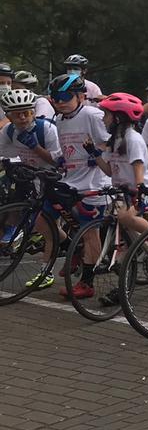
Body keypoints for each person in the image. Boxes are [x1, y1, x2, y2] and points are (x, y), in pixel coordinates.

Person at [90, 93, 148, 303]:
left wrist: (139, 189)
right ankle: (127, 282)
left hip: (141, 190)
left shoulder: (133, 138)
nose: (103, 119)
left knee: (125, 218)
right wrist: (93, 153)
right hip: (123, 192)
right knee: (123, 242)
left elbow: (138, 165)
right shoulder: (115, 140)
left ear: (118, 118)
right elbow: (108, 171)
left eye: (106, 115)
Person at [48, 74, 112, 298]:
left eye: (65, 97)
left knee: (90, 232)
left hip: (95, 181)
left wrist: (98, 153)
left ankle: (87, 282)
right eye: (55, 98)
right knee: (49, 208)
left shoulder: (93, 115)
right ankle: (76, 248)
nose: (60, 101)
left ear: (80, 96)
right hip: (72, 179)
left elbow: (111, 141)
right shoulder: (59, 120)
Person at [0, 89, 63, 246]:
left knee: (45, 221)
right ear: (9, 117)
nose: (22, 118)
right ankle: (12, 229)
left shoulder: (47, 129)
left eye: (26, 113)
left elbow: (57, 161)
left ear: (33, 113)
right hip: (30, 174)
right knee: (14, 201)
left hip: (53, 176)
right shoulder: (8, 131)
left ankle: (65, 242)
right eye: (16, 114)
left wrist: (35, 147)